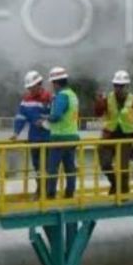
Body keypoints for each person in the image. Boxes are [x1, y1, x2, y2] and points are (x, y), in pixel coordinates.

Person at [93, 70, 133, 195]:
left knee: (123, 168)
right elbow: (98, 113)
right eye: (116, 85)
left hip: (125, 138)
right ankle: (115, 184)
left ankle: (124, 191)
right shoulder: (108, 98)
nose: (118, 88)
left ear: (127, 86)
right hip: (109, 137)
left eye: (121, 86)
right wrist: (99, 101)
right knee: (105, 164)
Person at [9, 70, 53, 194]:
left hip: (48, 137)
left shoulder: (49, 98)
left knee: (48, 166)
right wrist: (16, 133)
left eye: (32, 87)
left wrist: (45, 122)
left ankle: (47, 190)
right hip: (34, 138)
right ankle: (40, 189)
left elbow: (55, 117)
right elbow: (21, 117)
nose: (30, 90)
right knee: (37, 165)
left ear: (39, 84)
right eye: (29, 87)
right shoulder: (26, 100)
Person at [43, 66, 80, 199]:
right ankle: (70, 192)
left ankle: (50, 194)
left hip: (59, 138)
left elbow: (56, 115)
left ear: (56, 83)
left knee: (52, 168)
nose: (52, 86)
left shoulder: (62, 96)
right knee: (70, 167)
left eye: (52, 83)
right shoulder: (73, 95)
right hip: (72, 136)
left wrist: (45, 119)